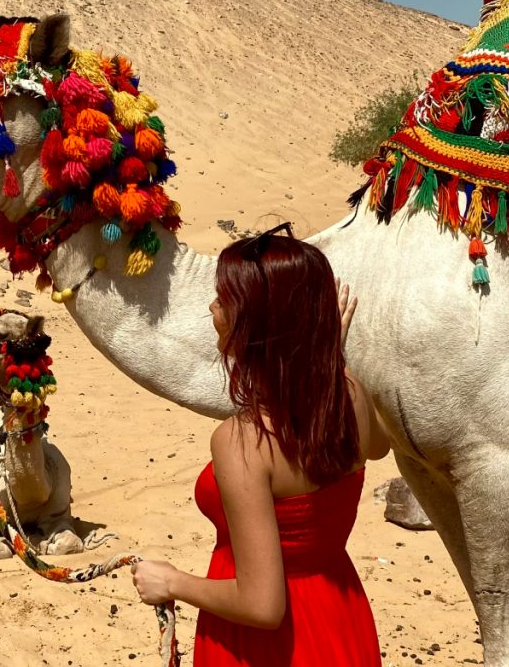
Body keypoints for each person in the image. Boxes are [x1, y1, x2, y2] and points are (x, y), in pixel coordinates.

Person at [132, 222, 391, 666]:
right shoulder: (350, 394)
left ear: (253, 324)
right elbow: (378, 448)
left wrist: (172, 582)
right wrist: (327, 359)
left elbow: (261, 606)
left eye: (224, 300)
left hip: (266, 648)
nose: (212, 307)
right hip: (339, 620)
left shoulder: (243, 442)